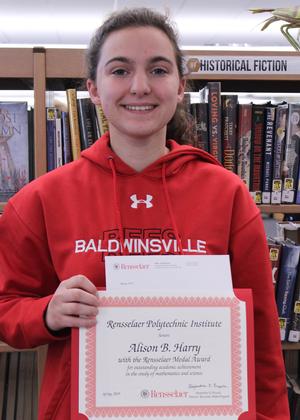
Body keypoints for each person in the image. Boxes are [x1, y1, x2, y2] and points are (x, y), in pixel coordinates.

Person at [0, 7, 289, 420]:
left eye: (158, 70)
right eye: (119, 71)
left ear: (180, 87)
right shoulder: (41, 199)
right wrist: (46, 312)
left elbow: (259, 339)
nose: (139, 86)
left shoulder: (227, 195)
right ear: (94, 89)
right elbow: (7, 306)